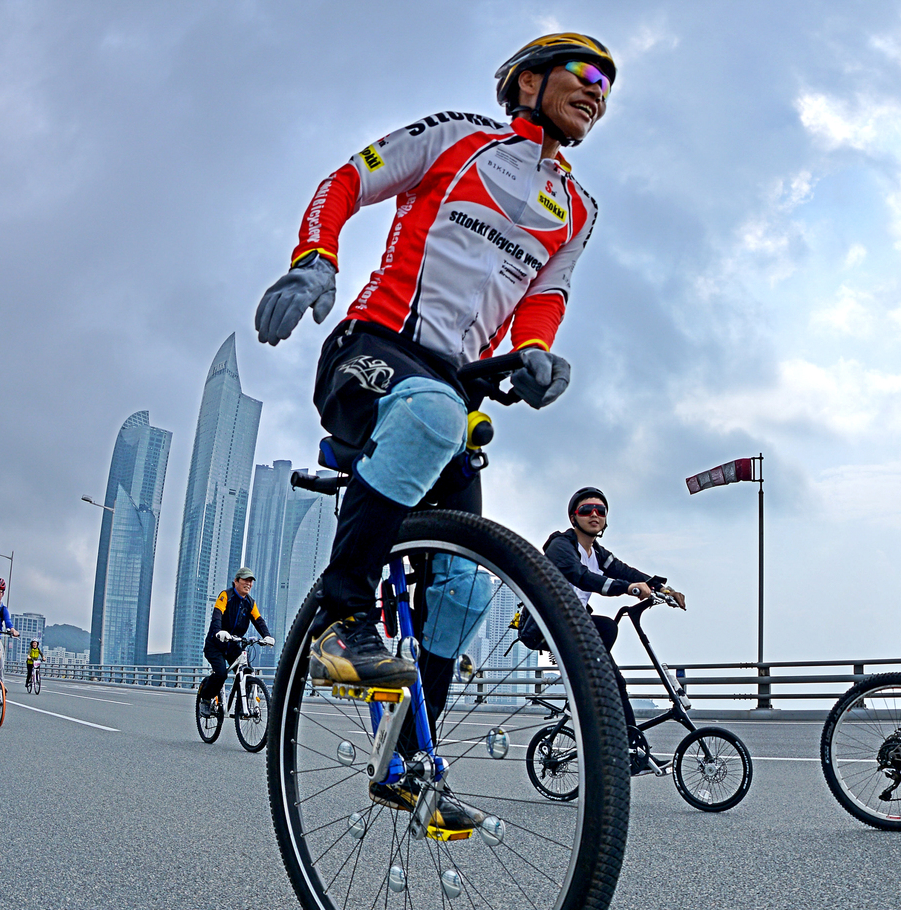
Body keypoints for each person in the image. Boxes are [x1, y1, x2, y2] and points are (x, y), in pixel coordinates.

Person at [252, 33, 613, 825]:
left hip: (455, 388)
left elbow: (545, 298)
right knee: (435, 412)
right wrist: (314, 257)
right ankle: (343, 621)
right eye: (586, 72)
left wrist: (537, 352)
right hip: (371, 351)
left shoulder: (579, 211)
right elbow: (346, 180)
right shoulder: (458, 137)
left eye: (609, 87)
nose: (598, 90)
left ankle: (408, 761)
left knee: (463, 587)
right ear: (528, 81)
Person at [538, 488, 685, 773]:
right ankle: (592, 693)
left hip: (576, 624)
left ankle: (633, 754)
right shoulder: (561, 546)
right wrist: (627, 589)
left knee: (615, 674)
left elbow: (624, 571)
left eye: (600, 511)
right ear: (573, 517)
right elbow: (582, 577)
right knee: (606, 635)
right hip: (549, 624)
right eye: (586, 510)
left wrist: (664, 588)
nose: (594, 515)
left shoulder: (597, 553)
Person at [199, 567, 273, 712]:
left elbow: (258, 620)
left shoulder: (250, 602)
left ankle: (241, 707)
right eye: (245, 580)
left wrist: (267, 636)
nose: (248, 584)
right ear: (236, 581)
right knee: (221, 674)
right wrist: (218, 631)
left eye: (251, 581)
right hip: (216, 644)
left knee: (247, 674)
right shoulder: (226, 595)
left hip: (233, 645)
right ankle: (206, 699)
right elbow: (217, 615)